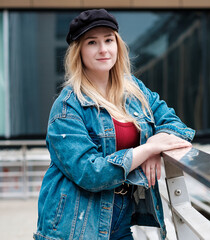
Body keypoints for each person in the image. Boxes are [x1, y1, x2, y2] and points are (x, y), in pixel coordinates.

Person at [34, 9, 195, 240]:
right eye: (92, 42)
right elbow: (90, 172)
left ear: (117, 45)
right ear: (79, 52)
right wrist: (147, 150)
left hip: (120, 219)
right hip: (75, 228)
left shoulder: (134, 91)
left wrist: (154, 143)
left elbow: (175, 125)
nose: (103, 49)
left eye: (109, 40)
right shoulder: (68, 107)